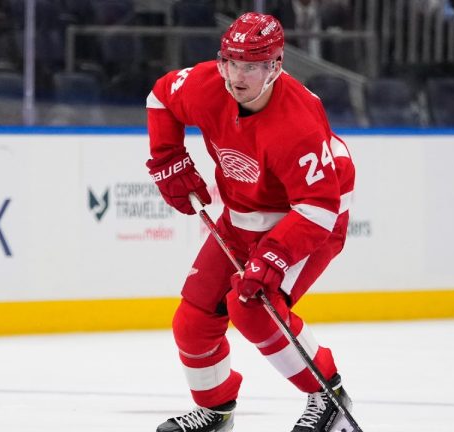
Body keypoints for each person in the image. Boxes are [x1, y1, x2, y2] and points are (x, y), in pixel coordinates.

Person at [145, 12, 356, 432]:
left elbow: (318, 206)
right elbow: (161, 97)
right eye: (231, 62)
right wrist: (168, 157)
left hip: (308, 218)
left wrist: (273, 257)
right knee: (193, 320)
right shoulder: (209, 85)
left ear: (275, 67)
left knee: (253, 309)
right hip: (241, 215)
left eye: (251, 66)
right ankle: (216, 410)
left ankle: (328, 396)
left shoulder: (298, 122)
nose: (237, 76)